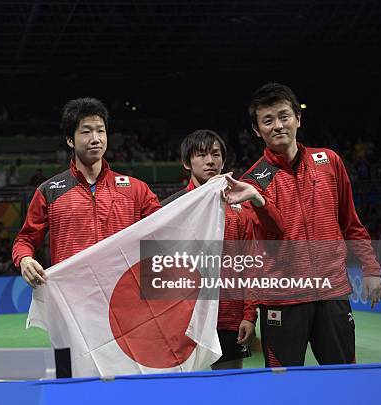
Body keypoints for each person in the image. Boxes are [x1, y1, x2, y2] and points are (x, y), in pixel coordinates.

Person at [225, 83, 381, 367]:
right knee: (283, 386)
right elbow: (265, 242)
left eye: (284, 116)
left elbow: (351, 222)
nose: (278, 125)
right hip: (281, 298)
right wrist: (259, 202)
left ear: (298, 119)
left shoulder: (329, 161)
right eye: (268, 120)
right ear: (256, 130)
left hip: (331, 291)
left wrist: (371, 269)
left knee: (344, 378)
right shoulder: (252, 181)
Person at [13, 97, 161, 287]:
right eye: (86, 132)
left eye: (101, 131)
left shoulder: (136, 189)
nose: (96, 139)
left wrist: (204, 192)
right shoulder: (49, 191)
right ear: (70, 140)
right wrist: (25, 259)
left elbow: (167, 225)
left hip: (122, 295)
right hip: (73, 297)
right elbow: (25, 239)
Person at [162, 130, 259, 369]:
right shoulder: (170, 209)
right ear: (187, 162)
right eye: (202, 155)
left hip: (228, 319)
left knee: (229, 390)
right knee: (186, 391)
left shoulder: (240, 209)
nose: (210, 161)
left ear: (223, 161)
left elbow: (250, 265)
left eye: (216, 154)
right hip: (184, 321)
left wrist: (249, 315)